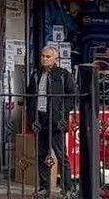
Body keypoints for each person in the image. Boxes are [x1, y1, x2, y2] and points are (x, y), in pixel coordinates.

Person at [27, 46, 76, 194]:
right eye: (42, 56)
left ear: (55, 58)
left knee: (61, 156)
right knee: (42, 154)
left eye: (48, 56)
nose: (44, 59)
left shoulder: (62, 75)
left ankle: (66, 189)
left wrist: (62, 112)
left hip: (56, 122)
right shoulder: (36, 74)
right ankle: (44, 187)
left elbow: (72, 95)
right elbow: (30, 95)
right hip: (40, 119)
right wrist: (31, 114)